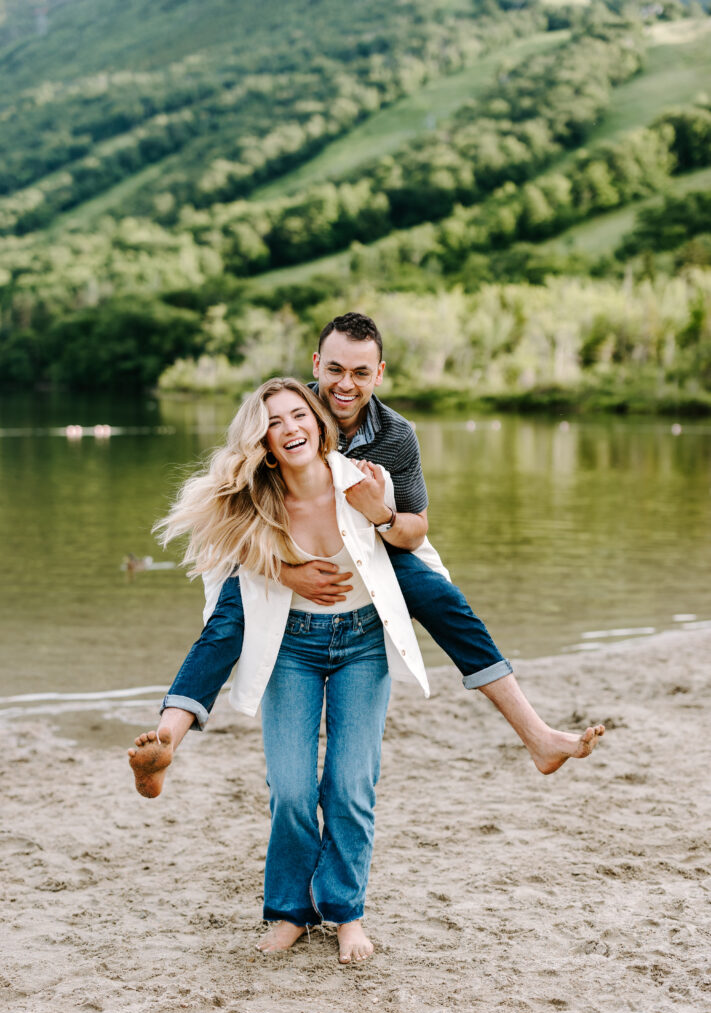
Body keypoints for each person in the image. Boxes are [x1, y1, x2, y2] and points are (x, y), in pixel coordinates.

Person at [138, 312, 604, 777]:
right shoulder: (285, 414)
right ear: (317, 364)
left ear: (378, 374)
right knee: (229, 615)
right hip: (278, 552)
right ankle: (167, 741)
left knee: (441, 598)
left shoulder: (396, 435)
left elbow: (415, 529)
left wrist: (378, 511)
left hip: (372, 547)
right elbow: (229, 518)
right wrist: (283, 572)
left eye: (361, 373)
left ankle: (537, 736)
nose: (346, 384)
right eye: (336, 370)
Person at [129, 378, 447, 963]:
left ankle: (346, 913)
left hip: (362, 645)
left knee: (352, 786)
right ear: (263, 441)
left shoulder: (361, 480)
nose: (291, 428)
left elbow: (415, 543)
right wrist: (282, 568)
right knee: (293, 790)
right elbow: (222, 575)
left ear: (320, 424)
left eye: (299, 415)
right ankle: (290, 912)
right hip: (289, 649)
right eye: (275, 422)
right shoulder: (255, 498)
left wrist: (389, 519)